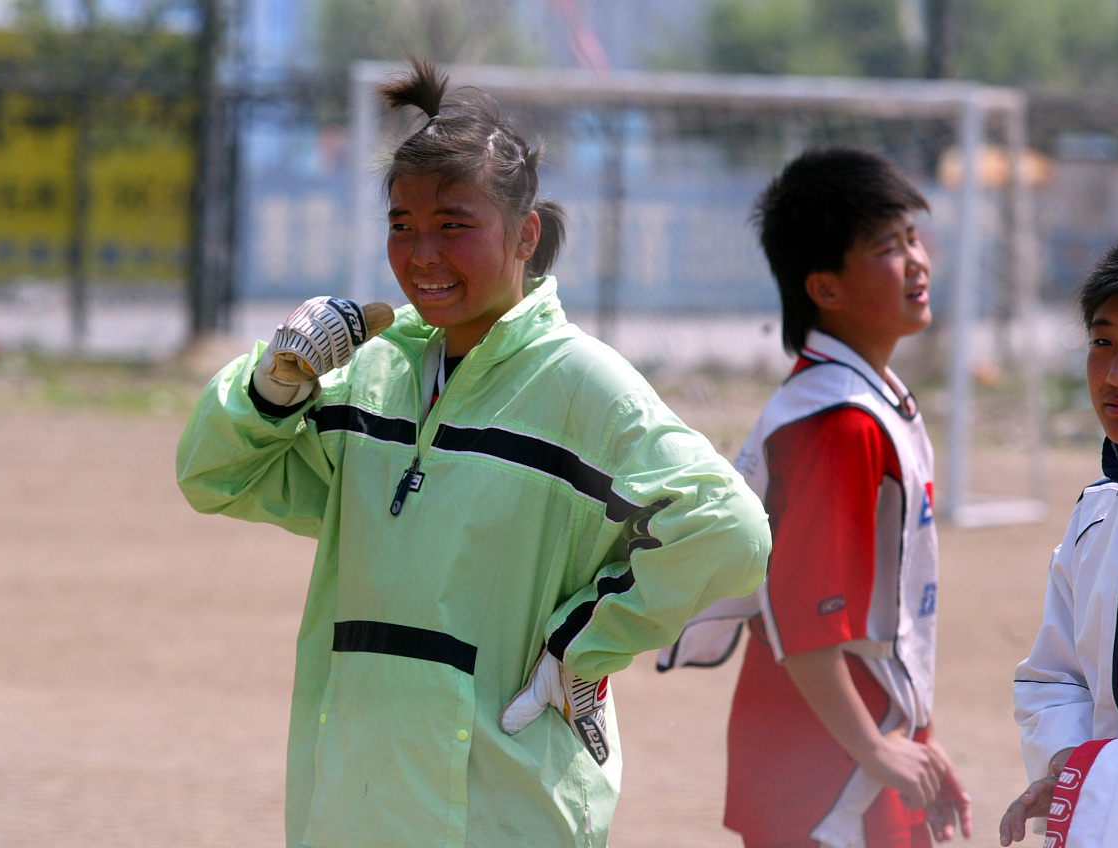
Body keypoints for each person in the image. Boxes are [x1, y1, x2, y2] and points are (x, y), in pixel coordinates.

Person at [174, 58, 770, 848]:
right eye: (402, 225)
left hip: (503, 809)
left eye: (454, 225)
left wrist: (583, 643)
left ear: (526, 235)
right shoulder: (371, 373)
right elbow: (213, 477)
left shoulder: (581, 384)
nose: (422, 253)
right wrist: (273, 386)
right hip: (353, 802)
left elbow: (730, 531)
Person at [661, 147, 971, 848]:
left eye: (913, 238)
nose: (916, 262)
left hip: (852, 748)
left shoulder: (870, 398)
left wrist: (917, 737)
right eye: (888, 248)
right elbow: (806, 626)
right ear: (825, 289)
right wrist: (876, 748)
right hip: (822, 775)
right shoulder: (838, 424)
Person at [1000, 224, 1118, 848]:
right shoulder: (1096, 515)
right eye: (1102, 342)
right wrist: (1068, 770)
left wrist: (1096, 780)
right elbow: (1053, 679)